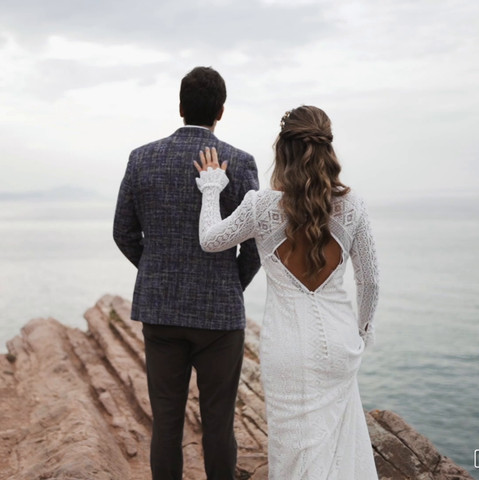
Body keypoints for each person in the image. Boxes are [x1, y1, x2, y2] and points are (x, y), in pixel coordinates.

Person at [193, 105, 379, 479]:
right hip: (340, 345)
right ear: (328, 149)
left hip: (287, 350)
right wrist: (363, 330)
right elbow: (370, 282)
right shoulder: (352, 205)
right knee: (341, 447)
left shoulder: (261, 206)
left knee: (294, 454)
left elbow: (211, 240)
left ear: (282, 150)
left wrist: (211, 189)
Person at [113, 66, 261, 480]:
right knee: (218, 424)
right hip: (219, 317)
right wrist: (231, 284)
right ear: (221, 111)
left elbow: (123, 231)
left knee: (165, 423)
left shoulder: (141, 158)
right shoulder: (241, 162)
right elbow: (254, 245)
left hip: (160, 313)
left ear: (180, 107)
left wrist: (157, 270)